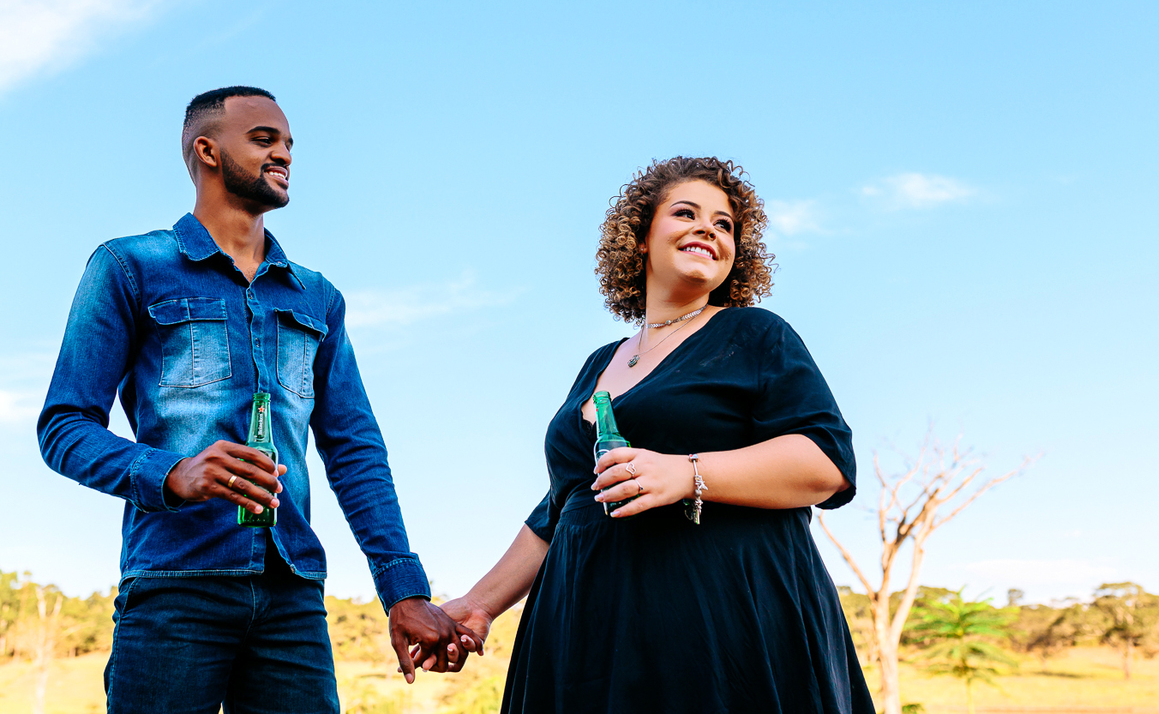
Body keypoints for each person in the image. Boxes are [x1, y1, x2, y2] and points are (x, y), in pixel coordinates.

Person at [37, 86, 478, 713]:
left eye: (290, 143)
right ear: (208, 151)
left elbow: (355, 453)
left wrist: (402, 589)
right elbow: (63, 427)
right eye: (265, 140)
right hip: (173, 588)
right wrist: (173, 472)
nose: (285, 155)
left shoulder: (316, 298)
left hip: (292, 598)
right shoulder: (130, 266)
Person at [436, 157, 874, 712]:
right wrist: (480, 603)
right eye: (686, 213)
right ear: (641, 238)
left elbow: (826, 462)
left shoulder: (755, 334)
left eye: (724, 225)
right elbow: (563, 502)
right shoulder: (599, 361)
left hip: (718, 621)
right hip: (584, 630)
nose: (707, 230)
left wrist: (687, 473)